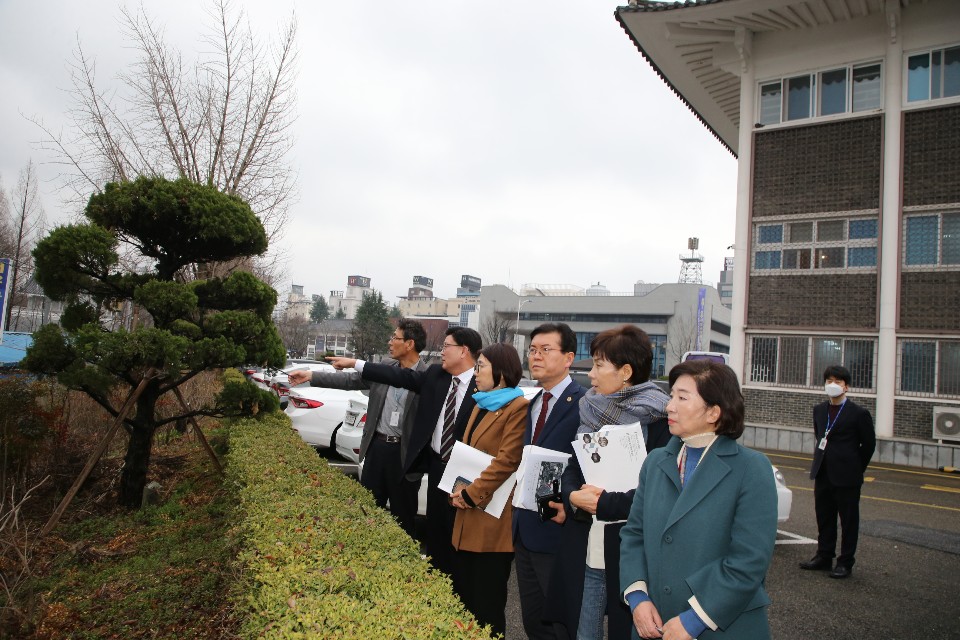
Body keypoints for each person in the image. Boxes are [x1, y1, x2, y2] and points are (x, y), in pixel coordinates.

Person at [620, 360, 778, 639]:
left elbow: (748, 560)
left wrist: (695, 619)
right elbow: (634, 534)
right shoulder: (657, 461)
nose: (669, 406)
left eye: (682, 397)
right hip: (654, 623)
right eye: (671, 396)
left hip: (721, 626)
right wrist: (637, 597)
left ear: (714, 412)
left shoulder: (750, 468)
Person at [545, 325, 670, 640]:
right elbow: (574, 465)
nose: (593, 374)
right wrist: (572, 495)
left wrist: (602, 503)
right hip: (587, 543)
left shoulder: (660, 421)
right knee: (582, 632)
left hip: (628, 550)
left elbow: (655, 493)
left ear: (626, 371)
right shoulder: (590, 408)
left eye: (600, 365)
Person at [328, 326, 481, 576]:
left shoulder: (483, 385)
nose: (441, 352)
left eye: (446, 347)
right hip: (435, 464)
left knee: (458, 531)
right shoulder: (436, 375)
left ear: (464, 351)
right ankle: (433, 584)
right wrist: (356, 363)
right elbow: (398, 377)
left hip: (464, 470)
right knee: (435, 531)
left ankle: (458, 587)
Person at [287, 320, 427, 537]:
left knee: (403, 519)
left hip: (405, 457)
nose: (390, 342)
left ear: (410, 344)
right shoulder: (383, 371)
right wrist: (311, 376)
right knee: (367, 512)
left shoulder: (428, 378)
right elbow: (348, 380)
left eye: (395, 338)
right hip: (377, 448)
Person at [511, 322, 586, 640]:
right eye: (532, 350)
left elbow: (586, 464)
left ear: (568, 357)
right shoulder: (533, 403)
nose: (536, 356)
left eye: (545, 350)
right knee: (533, 622)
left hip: (558, 529)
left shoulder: (584, 403)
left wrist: (569, 502)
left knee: (561, 625)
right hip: (525, 527)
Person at [449, 343, 529, 638]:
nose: (477, 373)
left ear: (502, 372)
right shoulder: (481, 403)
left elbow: (507, 460)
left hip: (492, 518)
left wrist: (470, 494)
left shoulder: (518, 407)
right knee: (464, 599)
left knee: (487, 605)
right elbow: (467, 453)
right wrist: (456, 487)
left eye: (481, 366)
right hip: (466, 511)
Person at [799, 364, 876, 579]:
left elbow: (869, 445)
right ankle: (824, 556)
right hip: (823, 472)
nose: (833, 385)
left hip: (847, 476)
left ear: (846, 387)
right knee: (824, 517)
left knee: (849, 520)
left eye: (838, 382)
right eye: (829, 381)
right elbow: (820, 436)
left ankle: (845, 562)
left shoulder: (858, 413)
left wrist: (855, 467)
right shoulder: (819, 410)